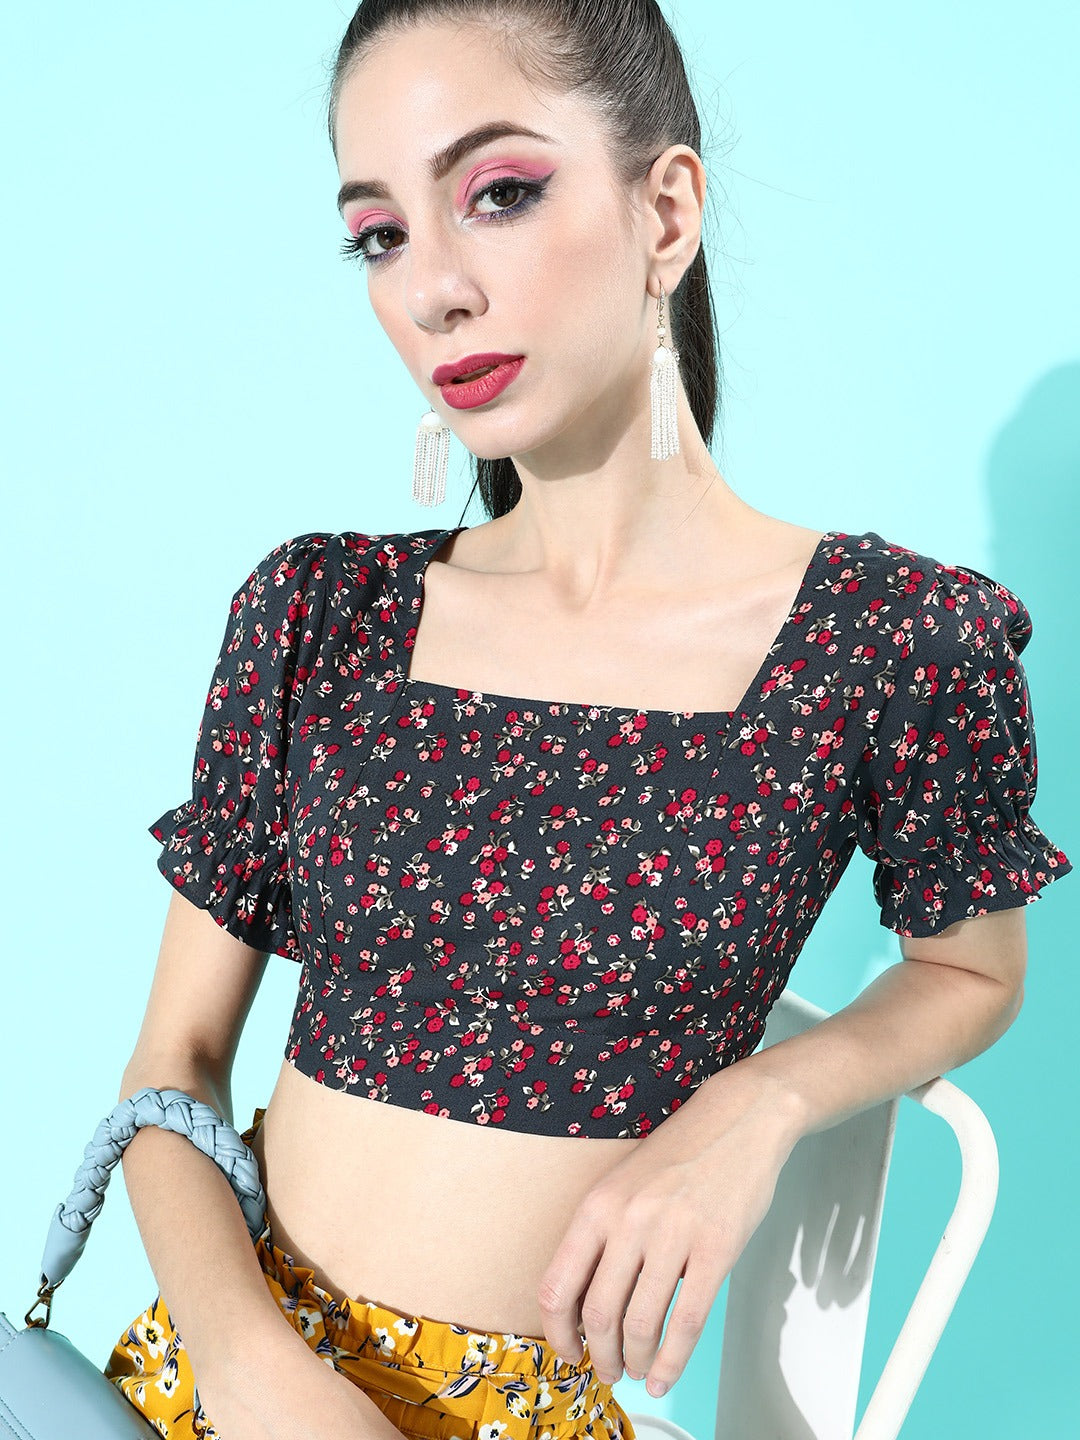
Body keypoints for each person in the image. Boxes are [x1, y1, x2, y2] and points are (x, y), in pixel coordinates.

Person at [102, 2, 1071, 1438]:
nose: (432, 290)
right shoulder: (324, 615)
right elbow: (169, 1070)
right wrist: (255, 1375)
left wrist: (757, 1105)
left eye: (497, 194)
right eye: (380, 234)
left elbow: (972, 971)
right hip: (213, 1383)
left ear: (664, 210)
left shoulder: (888, 644)